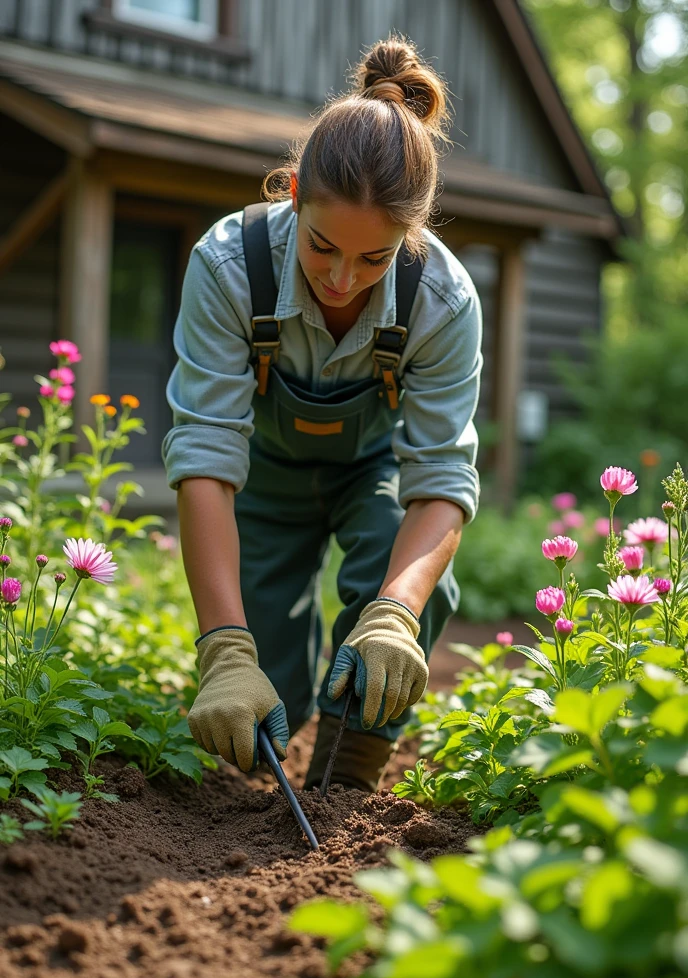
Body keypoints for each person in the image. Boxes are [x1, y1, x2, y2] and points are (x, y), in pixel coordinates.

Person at [161, 33, 483, 793]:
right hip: (262, 475)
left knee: (399, 585)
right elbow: (205, 454)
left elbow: (441, 480)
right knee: (268, 693)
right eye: (323, 247)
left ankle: (351, 771)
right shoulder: (228, 265)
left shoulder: (442, 300)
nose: (342, 279)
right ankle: (266, 729)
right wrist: (225, 651)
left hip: (368, 470)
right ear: (296, 195)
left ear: (410, 233)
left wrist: (395, 615)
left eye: (374, 259)